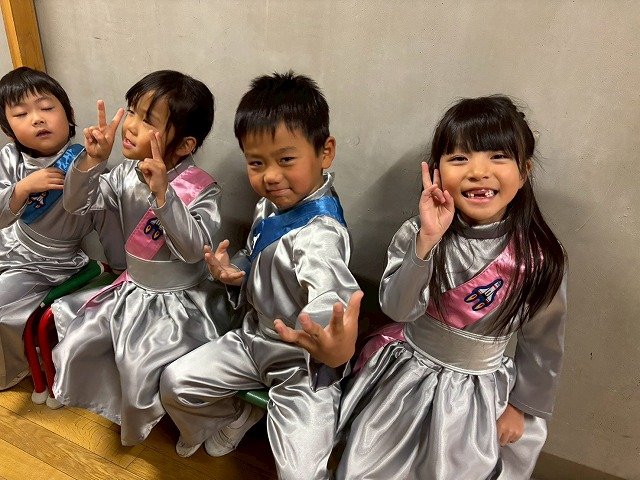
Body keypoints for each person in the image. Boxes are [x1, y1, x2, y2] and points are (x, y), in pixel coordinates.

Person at [335, 95, 567, 480]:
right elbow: (397, 308)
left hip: (477, 395)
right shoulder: (418, 232)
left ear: (524, 171)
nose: (478, 172)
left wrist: (521, 407)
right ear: (437, 171)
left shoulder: (539, 258)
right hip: (406, 378)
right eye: (460, 158)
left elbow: (543, 344)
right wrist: (426, 242)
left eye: (498, 156)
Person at [160, 71, 362, 480]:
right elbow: (258, 257)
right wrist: (235, 273)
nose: (270, 175)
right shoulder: (271, 205)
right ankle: (237, 415)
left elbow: (330, 291)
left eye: (286, 160)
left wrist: (333, 343)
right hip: (253, 337)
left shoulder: (320, 232)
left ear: (325, 152)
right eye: (256, 163)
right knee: (175, 383)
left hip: (300, 363)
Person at [52, 70, 238, 445]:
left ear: (184, 145)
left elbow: (193, 250)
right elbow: (75, 205)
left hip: (179, 303)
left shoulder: (201, 188)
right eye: (132, 112)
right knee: (74, 336)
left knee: (138, 366)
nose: (131, 126)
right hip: (132, 289)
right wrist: (91, 162)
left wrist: (164, 196)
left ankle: (204, 420)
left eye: (148, 121)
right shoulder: (123, 174)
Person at [0, 67, 125, 391]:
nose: (37, 119)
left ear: (69, 116)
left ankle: (13, 368)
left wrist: (121, 268)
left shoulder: (88, 165)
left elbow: (97, 215)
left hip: (48, 263)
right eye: (21, 114)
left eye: (46, 107)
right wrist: (22, 188)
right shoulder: (9, 158)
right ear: (8, 129)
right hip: (9, 241)